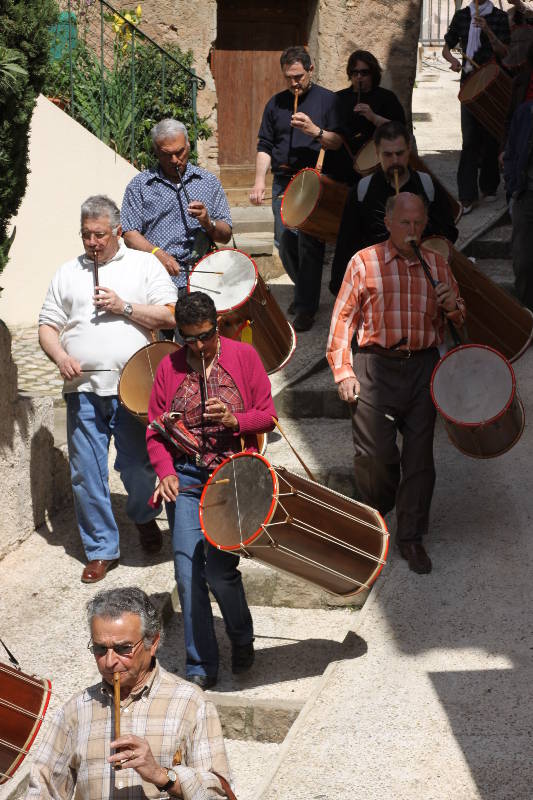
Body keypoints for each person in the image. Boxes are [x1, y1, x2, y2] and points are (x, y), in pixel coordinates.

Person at [38, 196, 178, 583]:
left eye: (100, 234)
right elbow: (47, 326)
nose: (92, 242)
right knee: (86, 472)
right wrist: (60, 355)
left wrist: (125, 307)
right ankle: (101, 548)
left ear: (117, 231)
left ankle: (144, 516)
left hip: (133, 387)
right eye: (86, 235)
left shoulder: (144, 264)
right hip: (83, 386)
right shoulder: (67, 272)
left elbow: (169, 314)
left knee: (138, 465)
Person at [326, 193, 465, 575]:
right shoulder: (364, 262)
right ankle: (382, 509)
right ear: (388, 223)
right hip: (375, 365)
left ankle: (411, 537)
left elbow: (457, 318)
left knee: (420, 459)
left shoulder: (436, 264)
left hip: (422, 366)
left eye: (419, 223)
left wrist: (451, 303)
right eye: (405, 223)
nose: (413, 231)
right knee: (374, 456)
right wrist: (344, 372)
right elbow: (342, 321)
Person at [146, 292, 276, 688]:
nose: (199, 346)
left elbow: (268, 416)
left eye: (206, 336)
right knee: (186, 573)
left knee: (219, 572)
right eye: (190, 339)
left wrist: (236, 420)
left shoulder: (243, 357)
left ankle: (241, 636)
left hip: (229, 474)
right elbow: (154, 429)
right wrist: (165, 469)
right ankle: (200, 665)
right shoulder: (169, 367)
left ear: (217, 326)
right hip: (186, 479)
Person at [25, 587, 233, 800]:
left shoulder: (191, 703)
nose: (109, 661)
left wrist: (161, 775)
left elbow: (219, 794)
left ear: (153, 643)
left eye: (123, 648)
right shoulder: (75, 711)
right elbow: (41, 789)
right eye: (99, 649)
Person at [250, 46, 343, 332]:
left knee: (309, 243)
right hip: (283, 180)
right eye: (289, 77)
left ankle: (305, 306)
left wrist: (315, 130)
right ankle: (306, 289)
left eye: (299, 76)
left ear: (310, 70)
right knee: (284, 241)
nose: (294, 83)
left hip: (313, 180)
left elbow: (338, 141)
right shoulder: (275, 104)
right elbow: (265, 145)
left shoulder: (328, 100)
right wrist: (259, 180)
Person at [329, 121, 459, 296]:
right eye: (388, 155)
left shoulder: (426, 186)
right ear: (377, 153)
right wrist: (341, 288)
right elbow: (347, 242)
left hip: (421, 283)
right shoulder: (363, 191)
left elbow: (448, 233)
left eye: (400, 153)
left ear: (409, 150)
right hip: (377, 285)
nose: (395, 161)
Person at [121, 119, 232, 294]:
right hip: (156, 279)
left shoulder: (208, 182)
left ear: (188, 146)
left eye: (180, 152)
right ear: (156, 152)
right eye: (167, 154)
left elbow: (225, 235)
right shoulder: (140, 185)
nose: (175, 160)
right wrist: (158, 254)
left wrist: (208, 222)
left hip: (201, 279)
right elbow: (129, 234)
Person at [442, 1, 510, 214]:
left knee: (491, 136)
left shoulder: (498, 16)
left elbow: (504, 51)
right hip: (469, 84)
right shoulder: (462, 16)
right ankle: (467, 195)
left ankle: (489, 186)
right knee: (469, 139)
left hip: (491, 82)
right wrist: (453, 61)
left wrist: (488, 30)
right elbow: (447, 48)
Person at [324, 49, 406, 185]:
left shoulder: (387, 97)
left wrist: (374, 117)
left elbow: (400, 130)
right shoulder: (338, 98)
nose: (359, 77)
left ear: (373, 73)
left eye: (364, 72)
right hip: (342, 168)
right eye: (355, 73)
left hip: (376, 167)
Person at [503, 97, 533, 307]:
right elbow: (511, 152)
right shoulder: (524, 113)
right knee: (523, 262)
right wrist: (513, 185)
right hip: (526, 194)